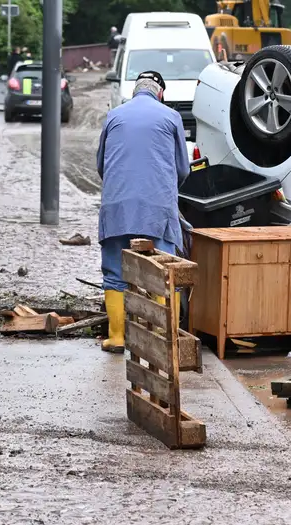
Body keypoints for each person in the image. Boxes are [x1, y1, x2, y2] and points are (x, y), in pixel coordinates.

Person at [95, 71, 190, 353]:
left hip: (116, 207)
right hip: (157, 209)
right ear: (160, 93)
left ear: (135, 91)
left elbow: (102, 165)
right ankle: (162, 338)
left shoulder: (114, 116)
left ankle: (117, 338)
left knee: (114, 271)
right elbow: (182, 168)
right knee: (164, 273)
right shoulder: (171, 117)